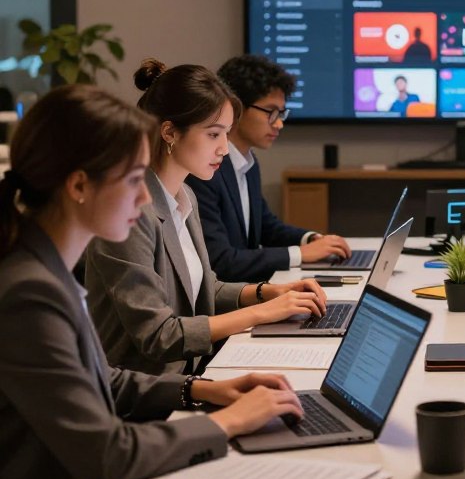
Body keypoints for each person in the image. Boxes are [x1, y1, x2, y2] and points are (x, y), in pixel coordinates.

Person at [0, 85, 305, 479]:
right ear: (78, 186)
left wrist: (203, 391)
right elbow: (107, 455)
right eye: (132, 180)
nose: (145, 197)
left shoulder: (46, 270)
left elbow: (105, 379)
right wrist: (228, 423)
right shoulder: (28, 293)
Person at [85, 60, 328, 375]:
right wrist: (262, 312)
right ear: (170, 132)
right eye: (214, 134)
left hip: (192, 374)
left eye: (226, 134)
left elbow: (202, 288)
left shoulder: (185, 196)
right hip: (147, 395)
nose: (225, 149)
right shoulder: (128, 213)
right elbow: (159, 336)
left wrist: (267, 292)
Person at [186, 55, 351, 283]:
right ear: (235, 107)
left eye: (282, 113)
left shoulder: (248, 162)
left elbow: (266, 227)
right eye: (270, 112)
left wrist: (310, 239)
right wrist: (300, 254)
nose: (279, 123)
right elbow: (221, 262)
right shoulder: (205, 170)